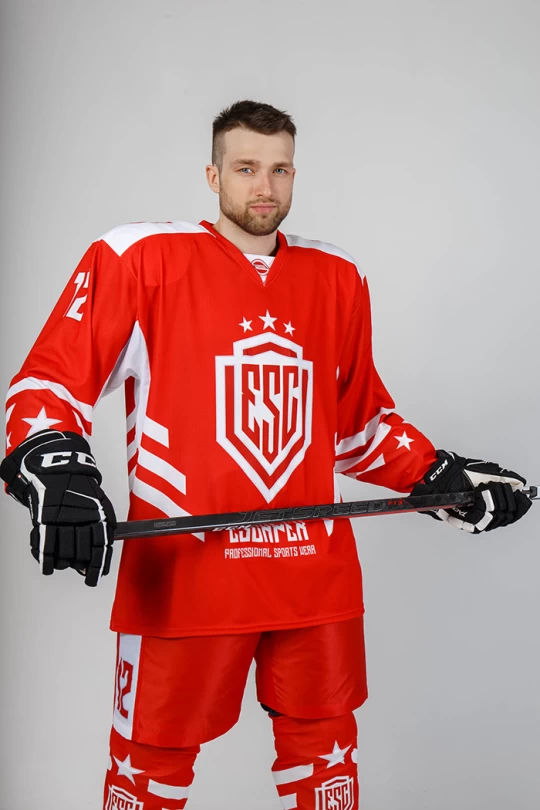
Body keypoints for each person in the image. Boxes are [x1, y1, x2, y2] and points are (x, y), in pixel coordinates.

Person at [1, 99, 532, 810]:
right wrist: (56, 466)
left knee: (327, 764)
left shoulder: (338, 276)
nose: (265, 187)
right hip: (186, 575)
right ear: (213, 174)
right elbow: (51, 380)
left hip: (313, 576)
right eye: (246, 168)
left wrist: (443, 477)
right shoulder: (137, 258)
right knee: (148, 767)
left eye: (280, 170)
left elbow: (356, 425)